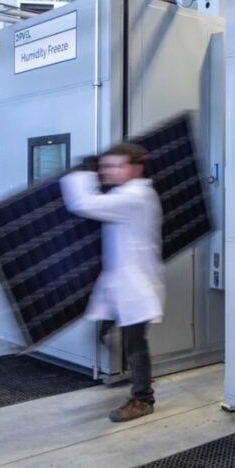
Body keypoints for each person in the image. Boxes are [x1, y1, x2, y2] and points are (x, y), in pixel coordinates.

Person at [61, 143, 164, 423]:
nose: (108, 171)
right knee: (110, 334)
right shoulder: (126, 194)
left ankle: (143, 398)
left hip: (134, 285)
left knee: (134, 343)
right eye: (105, 166)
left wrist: (80, 174)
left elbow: (84, 204)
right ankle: (141, 375)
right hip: (121, 282)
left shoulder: (135, 197)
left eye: (116, 165)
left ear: (135, 168)